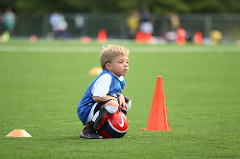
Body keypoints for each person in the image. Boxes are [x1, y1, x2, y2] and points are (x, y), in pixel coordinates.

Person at [77, 45, 131, 139]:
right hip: (87, 110)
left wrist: (120, 96)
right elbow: (97, 97)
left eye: (127, 62)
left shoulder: (120, 78)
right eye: (121, 62)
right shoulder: (106, 77)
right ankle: (89, 130)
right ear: (109, 66)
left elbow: (115, 92)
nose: (125, 65)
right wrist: (113, 99)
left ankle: (107, 126)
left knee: (126, 102)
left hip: (98, 105)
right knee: (113, 104)